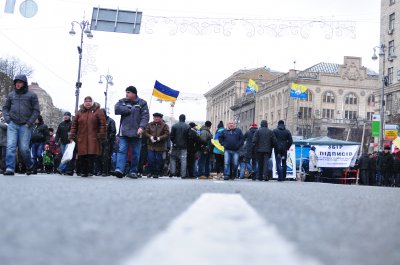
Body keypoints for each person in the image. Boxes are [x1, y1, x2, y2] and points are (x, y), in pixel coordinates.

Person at [2, 74, 40, 175]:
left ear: (24, 83)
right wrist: (8, 119)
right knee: (10, 146)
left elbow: (36, 111)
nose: (18, 84)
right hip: (12, 124)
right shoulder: (11, 95)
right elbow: (5, 108)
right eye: (16, 82)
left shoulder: (32, 95)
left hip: (26, 125)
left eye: (20, 82)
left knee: (24, 148)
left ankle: (29, 165)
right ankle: (10, 168)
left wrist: (29, 123)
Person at [114, 86, 149, 178]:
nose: (126, 94)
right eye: (126, 92)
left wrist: (142, 127)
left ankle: (133, 171)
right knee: (122, 151)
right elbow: (116, 110)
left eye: (128, 92)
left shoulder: (142, 103)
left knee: (136, 153)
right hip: (123, 132)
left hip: (137, 132)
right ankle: (119, 170)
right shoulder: (122, 101)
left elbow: (145, 117)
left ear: (134, 94)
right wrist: (128, 109)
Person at [68, 96, 107, 177]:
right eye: (86, 101)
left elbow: (102, 124)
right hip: (81, 137)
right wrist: (72, 135)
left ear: (92, 102)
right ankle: (84, 171)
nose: (88, 102)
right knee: (82, 155)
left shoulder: (98, 111)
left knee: (91, 155)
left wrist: (101, 134)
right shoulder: (79, 112)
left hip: (93, 137)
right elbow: (74, 125)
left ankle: (90, 170)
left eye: (89, 101)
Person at [144, 112, 169, 178]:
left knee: (158, 160)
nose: (156, 118)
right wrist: (150, 137)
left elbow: (166, 134)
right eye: (155, 117)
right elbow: (146, 132)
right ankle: (150, 172)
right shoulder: (149, 124)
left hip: (160, 146)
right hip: (150, 145)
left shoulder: (164, 125)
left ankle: (156, 173)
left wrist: (159, 138)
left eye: (157, 117)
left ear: (160, 118)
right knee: (150, 159)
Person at [96, 109, 116, 176]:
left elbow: (113, 131)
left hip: (107, 141)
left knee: (106, 156)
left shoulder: (111, 121)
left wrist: (108, 138)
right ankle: (99, 171)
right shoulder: (98, 121)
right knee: (98, 156)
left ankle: (106, 171)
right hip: (99, 141)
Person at [170, 114, 190, 178]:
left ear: (179, 118)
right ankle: (183, 175)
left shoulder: (174, 126)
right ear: (185, 119)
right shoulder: (188, 126)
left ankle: (172, 172)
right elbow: (189, 137)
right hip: (184, 146)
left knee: (173, 158)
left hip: (175, 146)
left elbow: (171, 136)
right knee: (183, 160)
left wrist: (174, 142)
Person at [0, 110, 7, 174]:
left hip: (4, 142)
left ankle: (3, 168)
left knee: (3, 156)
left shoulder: (5, 120)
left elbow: (6, 127)